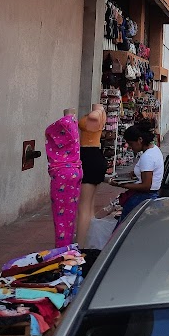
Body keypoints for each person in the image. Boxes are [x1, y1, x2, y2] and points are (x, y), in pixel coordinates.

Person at [110, 120, 163, 225]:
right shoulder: (154, 150)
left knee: (124, 227)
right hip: (149, 196)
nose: (130, 147)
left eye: (131, 144)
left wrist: (122, 184)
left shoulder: (147, 157)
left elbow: (146, 185)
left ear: (140, 140)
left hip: (143, 197)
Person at [45, 112, 83, 247]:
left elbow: (49, 131)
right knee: (70, 212)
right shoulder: (73, 127)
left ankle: (62, 247)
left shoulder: (61, 126)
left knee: (60, 214)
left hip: (62, 173)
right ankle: (68, 244)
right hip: (75, 169)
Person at [75, 104, 106, 247]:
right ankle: (89, 241)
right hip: (93, 156)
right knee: (89, 206)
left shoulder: (97, 113)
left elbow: (93, 117)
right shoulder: (100, 113)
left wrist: (96, 110)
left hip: (89, 157)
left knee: (84, 207)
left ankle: (80, 246)